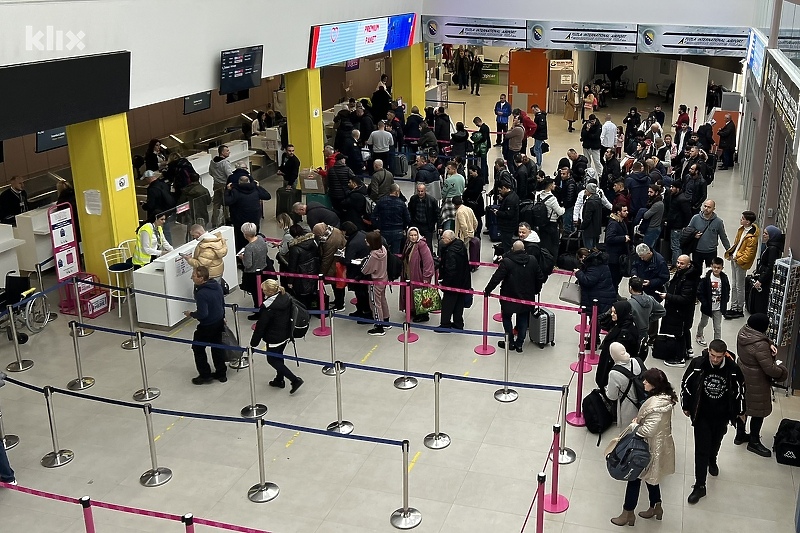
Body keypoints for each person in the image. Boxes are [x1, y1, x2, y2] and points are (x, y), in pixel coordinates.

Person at [681, 339, 746, 504]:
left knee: (716, 441)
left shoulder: (733, 369)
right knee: (701, 448)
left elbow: (741, 390)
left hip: (722, 415)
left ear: (725, 354)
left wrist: (740, 411)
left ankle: (713, 458)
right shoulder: (698, 364)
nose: (715, 360)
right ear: (708, 351)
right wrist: (686, 405)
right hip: (702, 413)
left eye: (719, 356)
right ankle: (700, 485)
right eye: (712, 355)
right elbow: (686, 384)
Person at [609, 367, 677, 526]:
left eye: (647, 381)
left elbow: (649, 429)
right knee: (651, 478)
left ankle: (628, 514)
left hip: (648, 448)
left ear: (654, 385)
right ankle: (656, 506)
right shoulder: (664, 400)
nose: (644, 383)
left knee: (634, 478)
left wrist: (636, 425)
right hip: (659, 445)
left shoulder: (655, 405)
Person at [736, 313, 788, 456]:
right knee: (758, 411)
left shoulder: (744, 332)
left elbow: (759, 338)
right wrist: (783, 371)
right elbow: (770, 369)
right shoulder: (760, 345)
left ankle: (739, 435)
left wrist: (769, 343)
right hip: (757, 380)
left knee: (743, 407)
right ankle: (754, 441)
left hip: (743, 374)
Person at [484, 240, 545, 352]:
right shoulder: (532, 260)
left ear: (512, 249)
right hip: (527, 296)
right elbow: (540, 277)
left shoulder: (507, 262)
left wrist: (488, 290)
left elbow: (496, 278)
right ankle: (520, 344)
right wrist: (536, 290)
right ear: (524, 250)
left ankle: (510, 341)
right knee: (522, 318)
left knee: (507, 318)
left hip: (509, 296)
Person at [250, 279, 304, 394]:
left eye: (264, 290)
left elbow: (261, 326)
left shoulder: (268, 307)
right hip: (285, 333)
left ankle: (294, 380)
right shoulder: (285, 297)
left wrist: (253, 343)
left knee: (272, 359)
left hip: (274, 336)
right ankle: (279, 379)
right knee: (279, 355)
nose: (262, 291)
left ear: (269, 292)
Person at [183, 266, 227, 385]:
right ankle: (221, 373)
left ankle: (205, 375)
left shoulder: (201, 293)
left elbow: (203, 313)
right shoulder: (217, 286)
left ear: (201, 278)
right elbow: (222, 303)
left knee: (198, 348)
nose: (192, 277)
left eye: (194, 275)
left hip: (207, 326)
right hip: (218, 322)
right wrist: (222, 317)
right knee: (217, 347)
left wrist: (191, 314)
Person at [658, 254, 701, 367]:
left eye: (682, 263)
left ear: (688, 264)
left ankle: (680, 358)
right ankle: (688, 349)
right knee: (685, 330)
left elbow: (685, 298)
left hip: (681, 311)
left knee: (679, 333)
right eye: (678, 262)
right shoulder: (683, 274)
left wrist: (668, 296)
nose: (678, 265)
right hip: (679, 310)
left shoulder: (689, 279)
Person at [596, 301, 640, 389]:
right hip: (608, 360)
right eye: (611, 312)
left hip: (613, 365)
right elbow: (601, 320)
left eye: (615, 313)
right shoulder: (621, 322)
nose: (612, 314)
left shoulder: (625, 332)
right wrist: (608, 313)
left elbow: (618, 354)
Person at [723, 211, 759, 319]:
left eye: (743, 218)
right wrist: (732, 254)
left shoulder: (752, 237)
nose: (741, 219)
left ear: (748, 222)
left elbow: (749, 254)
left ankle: (739, 308)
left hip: (740, 263)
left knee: (740, 286)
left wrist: (738, 259)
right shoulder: (741, 230)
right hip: (734, 259)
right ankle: (733, 307)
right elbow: (737, 244)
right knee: (734, 285)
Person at [604, 342, 644, 434]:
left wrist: (607, 389)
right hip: (642, 399)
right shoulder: (637, 361)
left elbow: (612, 396)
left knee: (627, 432)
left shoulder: (614, 373)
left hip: (628, 405)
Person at [437, 230, 471, 332]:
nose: (442, 239)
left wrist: (444, 284)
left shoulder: (450, 252)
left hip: (452, 283)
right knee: (459, 303)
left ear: (450, 239)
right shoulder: (460, 245)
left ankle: (445, 324)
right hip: (463, 281)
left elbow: (450, 270)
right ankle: (458, 323)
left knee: (447, 304)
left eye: (444, 238)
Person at [225, 175, 271, 251]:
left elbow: (227, 201)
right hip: (254, 219)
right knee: (254, 236)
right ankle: (255, 252)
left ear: (239, 182)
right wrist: (258, 187)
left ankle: (241, 256)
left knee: (240, 239)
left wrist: (228, 191)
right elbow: (267, 196)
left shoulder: (235, 191)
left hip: (239, 220)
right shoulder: (255, 189)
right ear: (249, 182)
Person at [400, 227, 435, 323]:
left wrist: (426, 277)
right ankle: (414, 310)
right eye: (411, 235)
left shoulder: (422, 245)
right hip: (409, 274)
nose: (413, 237)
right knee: (412, 293)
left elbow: (428, 262)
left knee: (420, 294)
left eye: (415, 235)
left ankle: (423, 314)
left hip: (418, 275)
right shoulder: (408, 244)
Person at [749, 225, 784, 314]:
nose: (763, 235)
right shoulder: (769, 246)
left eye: (766, 234)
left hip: (765, 279)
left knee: (762, 299)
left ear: (772, 236)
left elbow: (770, 266)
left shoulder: (772, 248)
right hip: (763, 275)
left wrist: (761, 280)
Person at [361, 230, 390, 336]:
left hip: (375, 281)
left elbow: (365, 270)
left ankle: (379, 326)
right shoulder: (383, 249)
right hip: (384, 278)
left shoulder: (373, 255)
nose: (365, 240)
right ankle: (386, 320)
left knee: (375, 303)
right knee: (382, 300)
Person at [628, 276, 666, 357]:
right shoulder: (650, 299)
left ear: (630, 288)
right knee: (641, 353)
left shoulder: (629, 304)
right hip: (645, 332)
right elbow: (662, 311)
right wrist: (649, 319)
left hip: (633, 332)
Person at [313, 222, 347, 312]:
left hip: (334, 265)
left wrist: (321, 273)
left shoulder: (329, 242)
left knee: (337, 285)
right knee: (338, 285)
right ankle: (338, 301)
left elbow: (327, 259)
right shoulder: (334, 230)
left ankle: (339, 305)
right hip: (338, 261)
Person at [687, 200, 731, 268]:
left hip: (711, 252)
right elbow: (688, 231)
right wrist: (694, 235)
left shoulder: (718, 222)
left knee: (711, 273)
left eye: (709, 207)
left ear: (713, 209)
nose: (706, 208)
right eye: (705, 206)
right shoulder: (695, 218)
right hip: (697, 251)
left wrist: (729, 250)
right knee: (696, 272)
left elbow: (723, 237)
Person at [696, 257, 729, 347]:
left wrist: (726, 300)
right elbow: (700, 291)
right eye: (714, 267)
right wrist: (704, 302)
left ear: (722, 268)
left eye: (718, 268)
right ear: (711, 266)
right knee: (703, 322)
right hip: (707, 307)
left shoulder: (724, 278)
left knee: (717, 327)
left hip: (718, 307)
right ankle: (699, 335)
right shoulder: (706, 278)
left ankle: (717, 343)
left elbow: (727, 289)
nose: (716, 269)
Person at [286, 225, 320, 311]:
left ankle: (303, 313)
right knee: (311, 293)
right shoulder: (312, 242)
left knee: (301, 297)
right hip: (313, 272)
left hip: (300, 276)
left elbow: (292, 267)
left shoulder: (294, 249)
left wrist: (290, 281)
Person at [574, 247, 617, 315]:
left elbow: (588, 281)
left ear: (583, 257)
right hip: (604, 296)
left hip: (598, 299)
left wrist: (578, 273)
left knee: (596, 321)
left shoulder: (593, 266)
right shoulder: (599, 263)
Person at [239, 222, 269, 313]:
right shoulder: (260, 239)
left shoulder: (249, 247)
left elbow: (248, 264)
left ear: (245, 234)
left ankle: (258, 310)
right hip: (263, 268)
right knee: (261, 291)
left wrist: (242, 258)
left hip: (253, 274)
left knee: (256, 294)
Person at [372, 184, 410, 255]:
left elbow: (373, 216)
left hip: (384, 230)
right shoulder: (401, 203)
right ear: (397, 192)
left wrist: (377, 226)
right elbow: (407, 218)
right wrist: (403, 227)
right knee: (395, 254)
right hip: (397, 232)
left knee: (383, 252)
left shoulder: (381, 201)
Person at [140, 170, 176, 242]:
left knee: (156, 231)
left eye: (146, 179)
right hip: (167, 211)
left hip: (157, 213)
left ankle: (159, 247)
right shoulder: (163, 184)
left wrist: (144, 205)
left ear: (149, 178)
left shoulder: (152, 189)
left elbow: (151, 204)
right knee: (166, 230)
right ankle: (170, 247)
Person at [535, 179, 564, 260]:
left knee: (543, 243)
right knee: (554, 244)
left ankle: (542, 259)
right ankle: (552, 261)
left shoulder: (538, 195)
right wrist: (563, 209)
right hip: (551, 223)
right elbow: (560, 212)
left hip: (540, 222)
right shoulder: (552, 199)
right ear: (551, 186)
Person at [664, 182, 692, 269]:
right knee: (676, 246)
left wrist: (684, 225)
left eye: (673, 187)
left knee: (675, 247)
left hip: (677, 226)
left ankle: (676, 266)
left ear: (678, 188)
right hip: (674, 225)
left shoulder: (681, 200)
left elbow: (687, 214)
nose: (671, 188)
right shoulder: (674, 197)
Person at [605, 203, 631, 293]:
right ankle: (613, 296)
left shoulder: (621, 221)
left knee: (617, 278)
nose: (627, 212)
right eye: (624, 211)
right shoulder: (613, 224)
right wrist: (623, 238)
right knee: (614, 278)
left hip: (619, 256)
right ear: (618, 212)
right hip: (613, 257)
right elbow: (609, 238)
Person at [492, 182, 520, 254]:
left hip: (507, 226)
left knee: (507, 245)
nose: (500, 192)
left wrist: (497, 212)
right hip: (511, 225)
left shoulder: (510, 199)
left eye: (500, 190)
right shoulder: (513, 195)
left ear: (504, 188)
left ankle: (508, 259)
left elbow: (509, 214)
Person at [209, 145, 234, 225]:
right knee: (226, 203)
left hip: (216, 184)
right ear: (222, 152)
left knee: (216, 204)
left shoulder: (212, 162)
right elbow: (229, 175)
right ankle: (227, 219)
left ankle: (214, 221)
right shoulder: (225, 163)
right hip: (224, 185)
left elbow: (210, 172)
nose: (229, 152)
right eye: (227, 151)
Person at [639, 184, 664, 249]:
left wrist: (643, 212)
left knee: (647, 249)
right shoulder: (655, 202)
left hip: (653, 228)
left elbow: (646, 216)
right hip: (653, 227)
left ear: (656, 193)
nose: (649, 194)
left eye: (651, 192)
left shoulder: (657, 204)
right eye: (648, 192)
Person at [579, 182, 603, 250]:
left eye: (586, 189)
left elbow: (587, 218)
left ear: (589, 191)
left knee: (588, 249)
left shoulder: (590, 202)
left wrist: (582, 226)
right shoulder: (598, 200)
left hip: (589, 230)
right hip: (596, 229)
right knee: (594, 248)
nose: (585, 191)